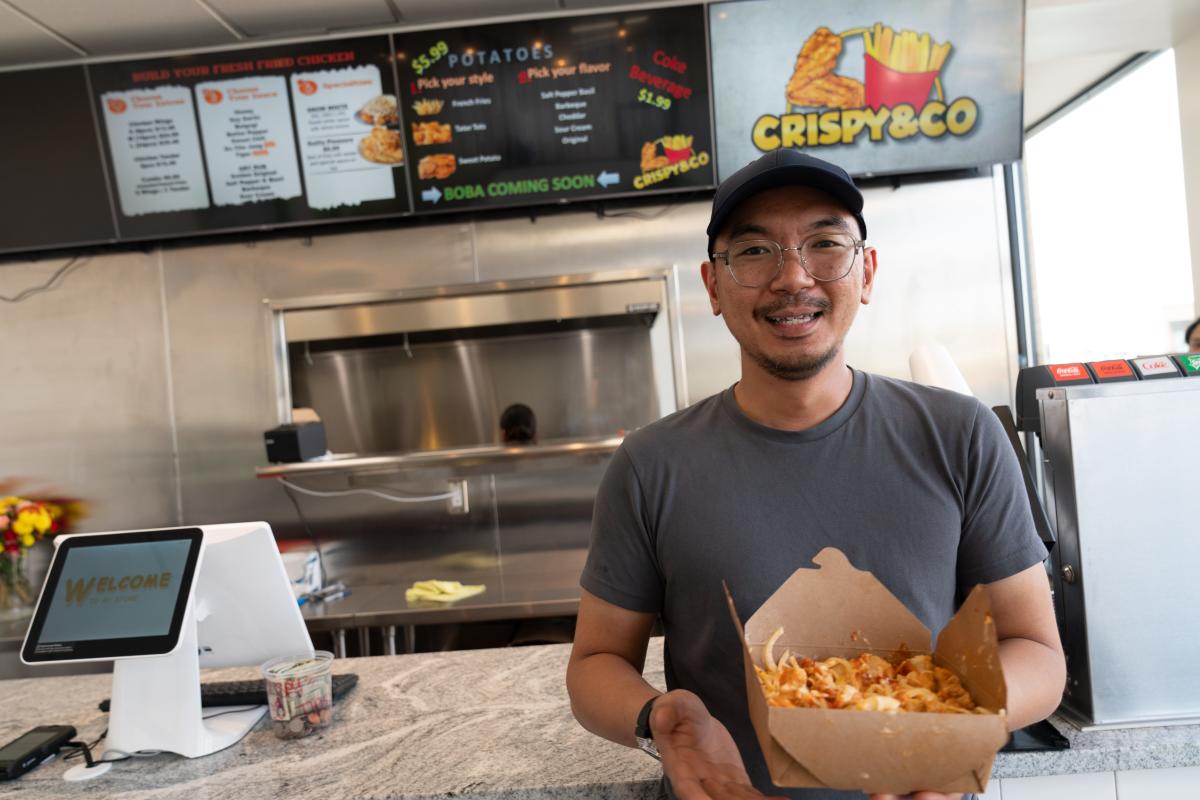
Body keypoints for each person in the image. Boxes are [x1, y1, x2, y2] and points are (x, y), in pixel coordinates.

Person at [565, 150, 1066, 800]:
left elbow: (1036, 650)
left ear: (867, 271)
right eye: (754, 252)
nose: (793, 277)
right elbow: (596, 664)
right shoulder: (651, 465)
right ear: (713, 286)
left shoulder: (960, 435)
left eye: (825, 245)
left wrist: (956, 729)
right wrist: (659, 721)